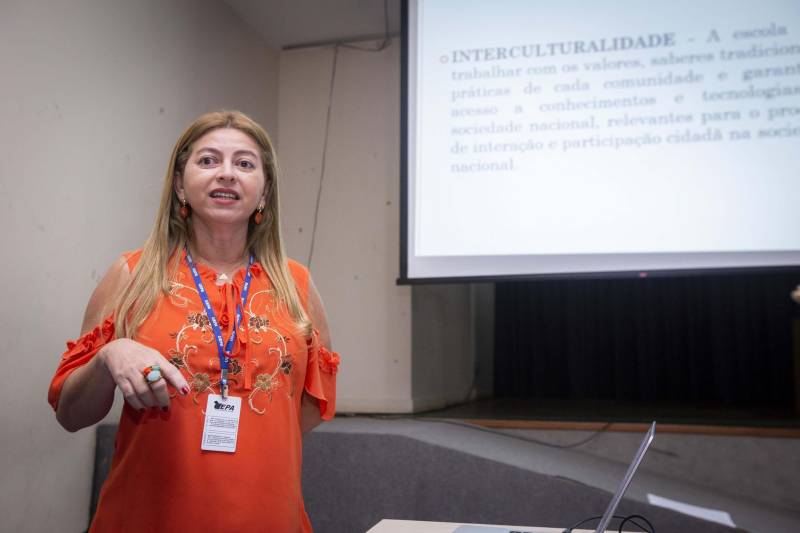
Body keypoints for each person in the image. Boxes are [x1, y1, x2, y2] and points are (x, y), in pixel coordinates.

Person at [48, 110, 339, 532]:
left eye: (244, 163)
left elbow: (309, 409)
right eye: (208, 161)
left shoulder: (298, 285)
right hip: (148, 518)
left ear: (264, 192)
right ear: (181, 184)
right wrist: (110, 355)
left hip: (268, 518)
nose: (227, 174)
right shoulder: (131, 276)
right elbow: (71, 414)